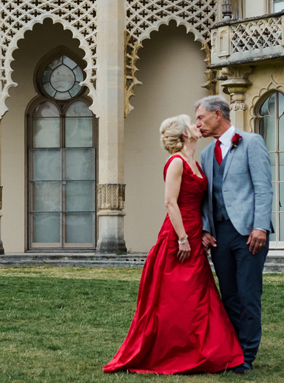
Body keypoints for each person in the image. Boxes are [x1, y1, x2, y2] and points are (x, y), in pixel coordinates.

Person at [104, 115, 245, 375]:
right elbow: (170, 203)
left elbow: (200, 202)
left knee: (199, 294)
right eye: (191, 122)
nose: (196, 125)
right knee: (176, 296)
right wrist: (182, 238)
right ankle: (172, 351)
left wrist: (202, 230)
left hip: (193, 232)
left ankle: (205, 351)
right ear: (183, 134)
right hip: (177, 236)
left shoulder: (197, 161)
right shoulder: (176, 162)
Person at [196, 95, 273, 374]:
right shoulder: (206, 154)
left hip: (249, 233)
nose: (198, 124)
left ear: (218, 114)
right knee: (228, 295)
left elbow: (264, 187)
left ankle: (248, 356)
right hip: (220, 236)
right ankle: (233, 352)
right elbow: (206, 198)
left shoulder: (251, 142)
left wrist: (260, 226)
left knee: (247, 294)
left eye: (201, 117)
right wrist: (206, 228)